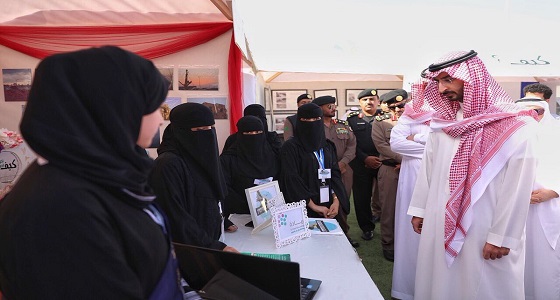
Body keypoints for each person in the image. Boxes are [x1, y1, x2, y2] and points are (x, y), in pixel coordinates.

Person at [0, 46, 184, 299]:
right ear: (114, 110)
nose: (161, 119)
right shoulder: (61, 207)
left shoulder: (100, 174)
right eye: (153, 105)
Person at [407, 50, 539, 299]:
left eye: (448, 79)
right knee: (440, 283)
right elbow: (428, 170)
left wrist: (501, 236)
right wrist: (421, 210)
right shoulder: (442, 125)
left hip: (486, 226)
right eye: (437, 82)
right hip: (439, 218)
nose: (442, 88)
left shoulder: (515, 127)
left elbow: (518, 185)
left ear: (471, 78)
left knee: (485, 286)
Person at [149, 103, 238, 253]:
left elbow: (207, 198)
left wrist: (221, 221)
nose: (208, 134)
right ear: (181, 132)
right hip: (191, 254)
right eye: (200, 130)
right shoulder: (168, 165)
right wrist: (214, 247)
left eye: (211, 129)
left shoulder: (200, 159)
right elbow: (176, 219)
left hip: (209, 245)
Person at [389, 81, 433, 299]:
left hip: (444, 179)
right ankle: (407, 289)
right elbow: (396, 144)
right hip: (414, 178)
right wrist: (435, 149)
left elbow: (456, 143)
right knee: (411, 233)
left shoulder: (454, 112)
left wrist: (416, 138)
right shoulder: (411, 113)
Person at [516, 98, 560, 300]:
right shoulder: (510, 136)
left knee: (546, 263)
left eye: (537, 111)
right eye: (526, 112)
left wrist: (553, 191)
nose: (532, 116)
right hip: (515, 208)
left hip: (550, 206)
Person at [279, 103, 349, 225]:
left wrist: (336, 200)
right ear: (299, 122)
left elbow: (335, 174)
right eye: (306, 119)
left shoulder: (327, 146)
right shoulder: (290, 147)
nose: (312, 123)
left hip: (329, 204)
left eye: (316, 119)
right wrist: (313, 206)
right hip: (303, 208)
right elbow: (291, 179)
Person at [312, 95, 359, 247]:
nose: (333, 108)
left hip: (343, 170)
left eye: (333, 105)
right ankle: (324, 233)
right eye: (329, 106)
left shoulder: (343, 125)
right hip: (321, 170)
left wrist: (344, 162)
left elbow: (352, 145)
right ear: (319, 108)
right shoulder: (314, 126)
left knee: (342, 201)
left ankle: (344, 234)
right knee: (324, 202)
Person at [220, 115, 280, 231]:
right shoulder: (228, 159)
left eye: (258, 132)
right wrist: (248, 205)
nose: (253, 136)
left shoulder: (273, 155)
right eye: (248, 133)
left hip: (272, 215)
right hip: (240, 217)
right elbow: (224, 188)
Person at [371, 89, 408, 261]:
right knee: (389, 208)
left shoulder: (416, 120)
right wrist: (406, 159)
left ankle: (408, 243)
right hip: (390, 169)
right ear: (387, 107)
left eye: (402, 106)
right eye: (395, 107)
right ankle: (389, 244)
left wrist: (409, 162)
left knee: (411, 207)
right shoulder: (380, 122)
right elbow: (382, 146)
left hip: (411, 169)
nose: (399, 110)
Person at [346, 89, 382, 241]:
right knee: (362, 198)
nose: (369, 102)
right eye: (365, 99)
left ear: (378, 101)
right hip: (361, 163)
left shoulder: (386, 117)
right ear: (360, 103)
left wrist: (381, 158)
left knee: (387, 198)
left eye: (372, 99)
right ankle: (367, 228)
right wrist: (365, 158)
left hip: (383, 162)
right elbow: (350, 143)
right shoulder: (352, 120)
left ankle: (390, 227)